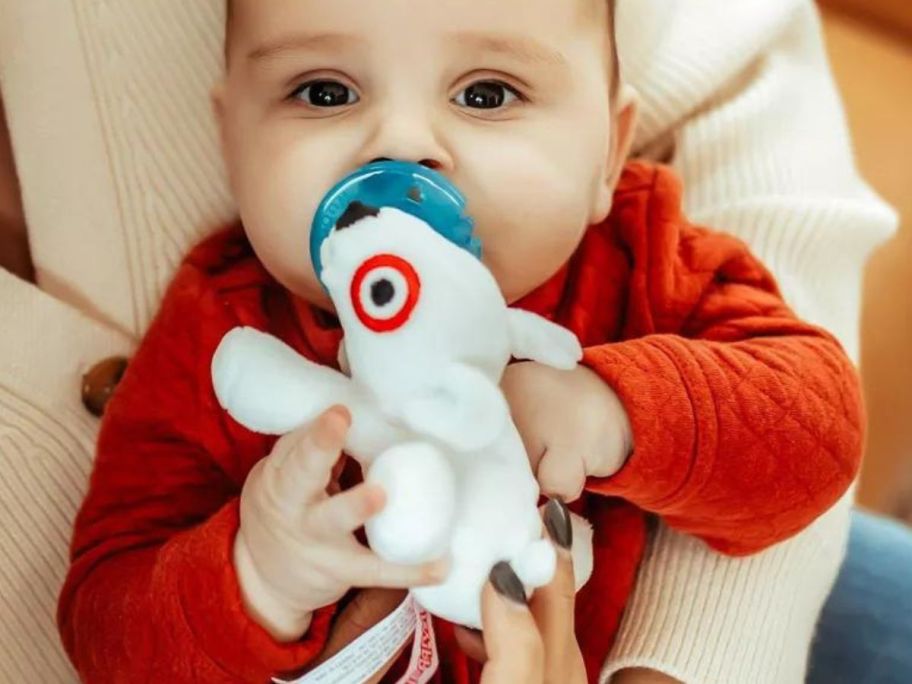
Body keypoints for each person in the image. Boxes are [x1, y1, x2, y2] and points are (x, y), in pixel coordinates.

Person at [54, 1, 866, 682]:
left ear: (607, 156)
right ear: (233, 143)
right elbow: (101, 620)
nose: (401, 145)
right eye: (325, 90)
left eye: (486, 93)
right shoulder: (221, 329)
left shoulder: (643, 257)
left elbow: (820, 426)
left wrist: (614, 412)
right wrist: (254, 577)